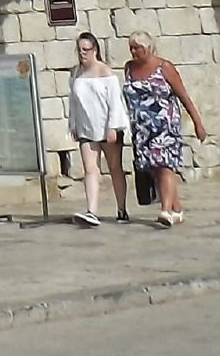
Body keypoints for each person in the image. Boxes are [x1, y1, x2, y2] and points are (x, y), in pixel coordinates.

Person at [124, 33, 207, 227]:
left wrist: (197, 123)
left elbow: (184, 96)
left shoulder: (164, 67)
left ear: (148, 47)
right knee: (155, 168)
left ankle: (166, 210)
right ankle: (177, 210)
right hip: (142, 128)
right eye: (131, 48)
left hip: (165, 125)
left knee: (165, 165)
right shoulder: (129, 68)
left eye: (138, 47)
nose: (134, 51)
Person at [68, 31, 130, 225]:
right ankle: (91, 211)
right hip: (86, 128)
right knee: (90, 169)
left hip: (106, 127)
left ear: (94, 50)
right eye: (79, 50)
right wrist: (73, 124)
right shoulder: (76, 73)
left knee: (114, 168)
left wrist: (113, 127)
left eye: (86, 49)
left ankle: (121, 209)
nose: (82, 54)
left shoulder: (106, 73)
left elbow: (115, 103)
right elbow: (73, 101)